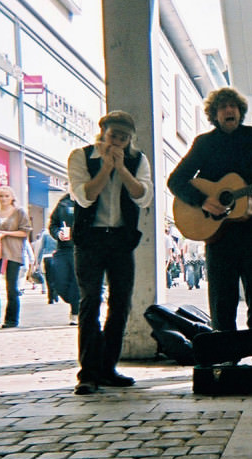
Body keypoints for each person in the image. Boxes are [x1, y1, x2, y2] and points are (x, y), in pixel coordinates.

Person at [168, 87, 252, 366]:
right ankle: (226, 353)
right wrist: (204, 201)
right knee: (222, 295)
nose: (229, 111)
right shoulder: (204, 144)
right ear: (214, 114)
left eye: (234, 107)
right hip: (216, 232)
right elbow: (175, 181)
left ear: (240, 111)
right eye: (223, 107)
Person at [68, 110, 154, 395]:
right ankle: (88, 374)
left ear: (131, 139)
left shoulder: (138, 160)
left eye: (124, 137)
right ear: (103, 133)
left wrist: (122, 170)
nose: (117, 141)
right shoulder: (81, 157)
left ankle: (108, 368)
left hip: (120, 239)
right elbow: (85, 196)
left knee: (121, 304)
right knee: (90, 301)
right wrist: (105, 169)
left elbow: (143, 197)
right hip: (90, 239)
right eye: (113, 135)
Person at [0, 186, 31, 328]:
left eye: (6, 196)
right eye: (1, 196)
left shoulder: (19, 212)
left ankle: (11, 319)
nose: (3, 199)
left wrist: (5, 233)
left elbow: (25, 232)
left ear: (12, 197)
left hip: (13, 252)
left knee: (11, 286)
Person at [48, 193, 80, 325]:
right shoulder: (62, 203)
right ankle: (73, 301)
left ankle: (75, 311)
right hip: (63, 248)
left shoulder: (88, 200)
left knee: (76, 281)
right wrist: (57, 233)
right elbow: (52, 225)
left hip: (80, 248)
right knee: (59, 280)